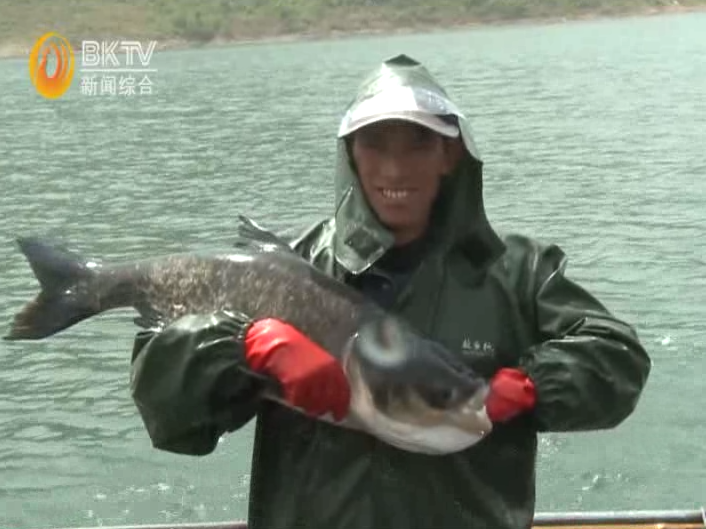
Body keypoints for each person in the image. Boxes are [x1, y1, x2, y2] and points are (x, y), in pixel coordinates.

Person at [129, 54, 652, 529]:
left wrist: (536, 382)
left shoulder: (516, 271)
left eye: (418, 144)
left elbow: (618, 358)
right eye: (375, 144)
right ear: (351, 155)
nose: (395, 168)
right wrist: (241, 346)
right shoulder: (291, 267)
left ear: (450, 154)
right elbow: (168, 413)